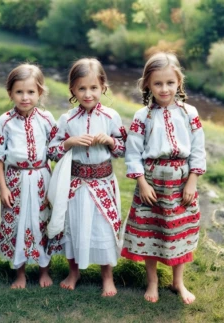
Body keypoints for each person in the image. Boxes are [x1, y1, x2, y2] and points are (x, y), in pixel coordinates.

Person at [121, 52, 206, 304]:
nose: (164, 88)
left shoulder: (189, 113)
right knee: (152, 232)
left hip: (181, 183)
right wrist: (142, 182)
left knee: (178, 232)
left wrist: (192, 180)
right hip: (152, 183)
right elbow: (133, 153)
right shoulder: (142, 116)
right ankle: (153, 282)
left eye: (170, 82)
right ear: (147, 84)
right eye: (158, 83)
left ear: (179, 81)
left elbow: (198, 150)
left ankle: (178, 282)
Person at [47, 58, 127, 297]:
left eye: (93, 88)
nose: (88, 93)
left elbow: (123, 149)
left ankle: (107, 277)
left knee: (103, 229)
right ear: (72, 89)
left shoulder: (111, 117)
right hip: (76, 185)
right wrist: (70, 142)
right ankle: (74, 272)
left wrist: (111, 141)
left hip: (103, 183)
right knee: (74, 228)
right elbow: (52, 151)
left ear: (103, 86)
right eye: (82, 88)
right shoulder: (67, 120)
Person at [0, 63, 58, 289]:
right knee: (17, 223)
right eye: (19, 92)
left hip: (41, 178)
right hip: (14, 180)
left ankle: (43, 270)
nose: (25, 97)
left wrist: (55, 184)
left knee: (42, 221)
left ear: (40, 92)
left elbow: (56, 150)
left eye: (31, 92)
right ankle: (19, 272)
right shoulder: (5, 121)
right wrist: (3, 187)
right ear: (10, 93)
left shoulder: (47, 119)